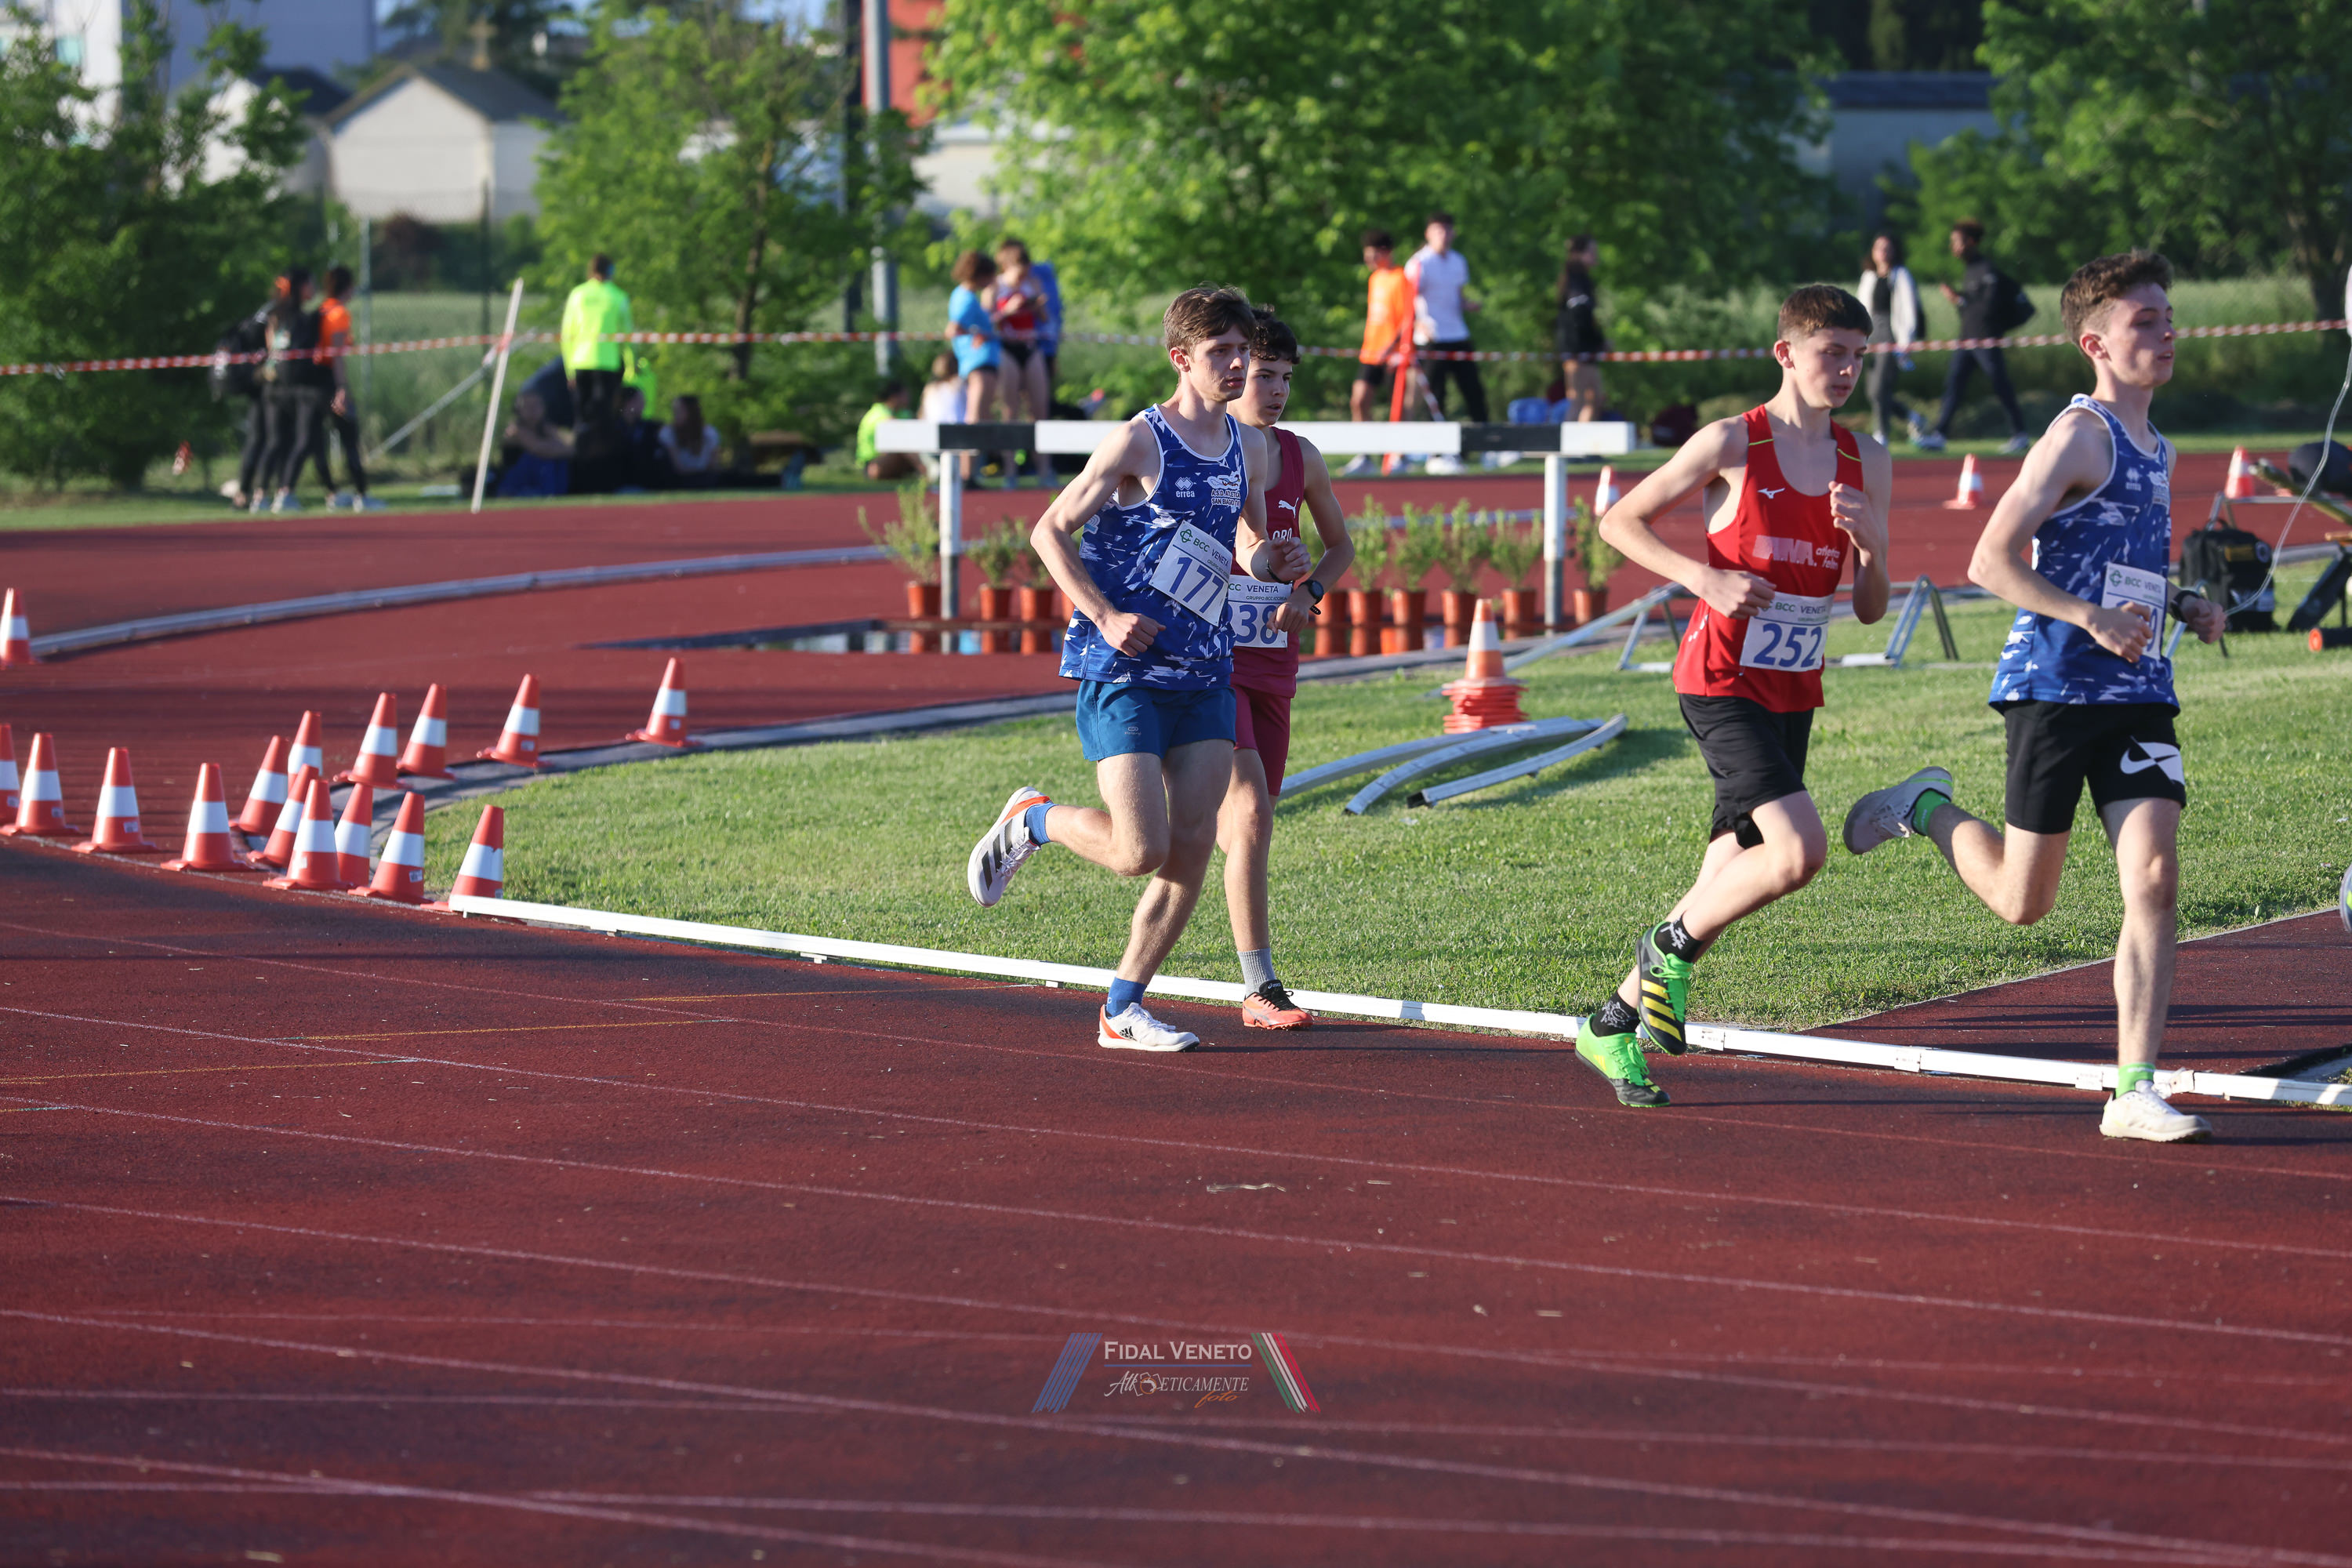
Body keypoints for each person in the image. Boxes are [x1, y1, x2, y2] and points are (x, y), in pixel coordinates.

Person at [1842, 252, 2226, 1144]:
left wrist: (2183, 603)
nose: (2167, 332)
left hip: (2137, 691)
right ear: (2095, 343)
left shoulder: (2160, 446)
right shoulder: (2079, 436)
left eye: (2169, 316)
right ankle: (1924, 807)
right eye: (2144, 321)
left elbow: (2118, 559)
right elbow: (1988, 560)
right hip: (2053, 686)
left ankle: (2134, 1089)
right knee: (2024, 901)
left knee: (2155, 876)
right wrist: (2090, 617)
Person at [963, 286, 1306, 1052]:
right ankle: (1034, 820)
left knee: (1192, 844)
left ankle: (1123, 1006)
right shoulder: (1138, 441)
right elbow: (1048, 531)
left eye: (1243, 351)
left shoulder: (1248, 447)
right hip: (1125, 669)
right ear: (1182, 358)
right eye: (1222, 352)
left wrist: (1271, 561)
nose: (1238, 365)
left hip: (1206, 670)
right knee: (1138, 850)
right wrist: (1104, 613)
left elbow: (1245, 539)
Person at [1574, 285, 1893, 1108]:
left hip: (1793, 686)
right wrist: (1703, 576)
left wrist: (1871, 547)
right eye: (1832, 352)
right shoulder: (1732, 441)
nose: (1847, 369)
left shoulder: (1868, 459)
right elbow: (1618, 522)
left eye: (1859, 356)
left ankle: (1611, 1022)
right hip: (1720, 679)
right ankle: (1664, 951)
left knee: (1726, 872)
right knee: (1797, 852)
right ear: (1786, 353)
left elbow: (1870, 607)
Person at [1217, 310, 1356, 1029]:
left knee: (1226, 829)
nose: (1275, 390)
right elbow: (1232, 538)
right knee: (1248, 815)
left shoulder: (1303, 455)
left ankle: (1040, 822)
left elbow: (1340, 546)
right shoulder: (1206, 449)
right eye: (1264, 375)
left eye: (1286, 378)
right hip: (1211, 659)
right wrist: (1260, 560)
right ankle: (1260, 986)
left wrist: (1309, 591)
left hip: (1273, 659)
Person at [1920, 220, 2030, 455]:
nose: (1953, 247)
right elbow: (1971, 308)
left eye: (1957, 242)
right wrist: (1959, 300)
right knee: (1954, 384)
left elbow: (1988, 307)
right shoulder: (1970, 270)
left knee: (2000, 384)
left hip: (1985, 339)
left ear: (1970, 242)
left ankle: (2020, 434)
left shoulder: (1986, 269)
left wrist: (1959, 300)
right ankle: (1940, 435)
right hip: (1967, 339)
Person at [252, 267, 332, 513]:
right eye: (310, 283)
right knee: (302, 440)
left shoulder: (275, 314)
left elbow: (271, 350)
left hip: (273, 385)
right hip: (295, 388)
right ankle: (284, 493)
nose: (314, 288)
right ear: (300, 287)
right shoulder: (303, 319)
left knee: (276, 442)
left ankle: (260, 496)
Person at [1406, 212, 1489, 435]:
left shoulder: (1458, 261)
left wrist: (1469, 305)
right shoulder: (1419, 263)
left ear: (1453, 233)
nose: (1443, 235)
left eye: (1447, 230)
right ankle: (1436, 447)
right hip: (1432, 337)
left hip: (1458, 334)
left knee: (1474, 390)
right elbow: (1407, 300)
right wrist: (1417, 324)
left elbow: (1457, 296)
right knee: (1436, 395)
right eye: (1438, 230)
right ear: (1428, 233)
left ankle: (1486, 441)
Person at [1341, 229, 1415, 474]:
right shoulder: (1374, 279)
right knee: (1359, 400)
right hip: (1370, 353)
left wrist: (1391, 347)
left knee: (1399, 406)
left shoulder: (1401, 278)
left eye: (1372, 254)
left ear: (1385, 252)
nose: (1368, 260)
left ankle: (1399, 456)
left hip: (1394, 355)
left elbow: (1407, 319)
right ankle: (1365, 455)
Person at [310, 265, 382, 510]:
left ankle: (332, 492)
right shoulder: (338, 313)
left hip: (312, 383)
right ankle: (361, 494)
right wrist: (341, 388)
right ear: (347, 287)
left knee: (316, 440)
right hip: (330, 380)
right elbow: (337, 355)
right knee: (349, 436)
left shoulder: (321, 310)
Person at [561, 254, 634, 488]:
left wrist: (569, 370)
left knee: (582, 421)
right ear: (610, 271)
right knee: (605, 421)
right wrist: (631, 367)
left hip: (580, 363)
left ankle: (580, 475)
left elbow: (567, 334)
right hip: (608, 366)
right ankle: (605, 476)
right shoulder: (618, 296)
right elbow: (628, 337)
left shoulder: (578, 294)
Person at [991, 240, 1054, 486]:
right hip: (1007, 349)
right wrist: (1008, 310)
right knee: (1010, 411)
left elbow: (1045, 318)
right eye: (1019, 271)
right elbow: (987, 322)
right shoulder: (995, 287)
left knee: (1039, 411)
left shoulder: (1033, 284)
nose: (1023, 277)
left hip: (1030, 347)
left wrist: (1036, 306)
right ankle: (1010, 472)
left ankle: (1044, 470)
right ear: (1007, 266)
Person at [1857, 232, 1923, 448]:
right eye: (1879, 248)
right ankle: (1912, 417)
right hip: (1871, 335)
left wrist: (1906, 342)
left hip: (1892, 336)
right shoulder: (1868, 277)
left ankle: (1881, 433)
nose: (1883, 253)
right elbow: (1861, 307)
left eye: (1887, 248)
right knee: (1872, 392)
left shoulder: (1901, 275)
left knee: (1880, 388)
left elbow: (1909, 310)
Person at [1555, 235, 1606, 423]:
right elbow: (1579, 317)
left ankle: (1582, 440)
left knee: (1596, 399)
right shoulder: (1574, 280)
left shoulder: (1583, 279)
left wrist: (1598, 342)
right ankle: (1567, 442)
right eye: (1591, 252)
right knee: (1578, 401)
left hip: (1587, 349)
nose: (1595, 256)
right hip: (1576, 350)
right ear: (1578, 254)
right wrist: (1598, 341)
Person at [495, 389, 572, 498]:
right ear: (519, 409)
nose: (532, 410)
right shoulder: (515, 430)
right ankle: (548, 495)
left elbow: (569, 444)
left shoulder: (546, 427)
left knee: (560, 461)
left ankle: (556, 496)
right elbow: (539, 449)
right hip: (516, 488)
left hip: (540, 485)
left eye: (536, 405)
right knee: (543, 460)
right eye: (527, 406)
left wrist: (560, 443)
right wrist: (563, 448)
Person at [856, 379, 920, 481]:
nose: (909, 398)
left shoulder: (903, 413)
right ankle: (925, 470)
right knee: (902, 443)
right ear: (894, 397)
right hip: (873, 463)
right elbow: (902, 435)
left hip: (894, 459)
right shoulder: (878, 413)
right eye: (905, 395)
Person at [658, 394, 722, 487]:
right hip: (678, 481)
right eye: (675, 411)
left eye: (679, 411)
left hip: (705, 480)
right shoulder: (668, 433)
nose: (676, 415)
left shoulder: (710, 433)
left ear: (692, 412)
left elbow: (713, 465)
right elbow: (678, 468)